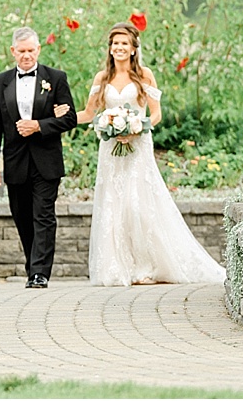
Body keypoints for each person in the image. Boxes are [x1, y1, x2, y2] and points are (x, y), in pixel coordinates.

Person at [54, 22, 227, 286]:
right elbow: (89, 114)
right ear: (110, 49)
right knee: (114, 205)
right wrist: (61, 119)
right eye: (115, 44)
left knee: (138, 205)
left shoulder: (144, 75)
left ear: (134, 49)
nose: (119, 48)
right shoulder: (102, 78)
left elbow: (156, 113)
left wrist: (138, 128)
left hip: (138, 148)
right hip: (111, 150)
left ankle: (146, 267)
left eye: (124, 43)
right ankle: (118, 267)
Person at [0, 26, 78, 288]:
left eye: (31, 50)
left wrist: (39, 125)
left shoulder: (56, 78)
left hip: (46, 161)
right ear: (13, 51)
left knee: (44, 216)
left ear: (38, 49)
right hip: (15, 161)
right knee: (22, 216)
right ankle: (32, 266)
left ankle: (40, 273)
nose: (26, 55)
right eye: (21, 51)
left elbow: (70, 118)